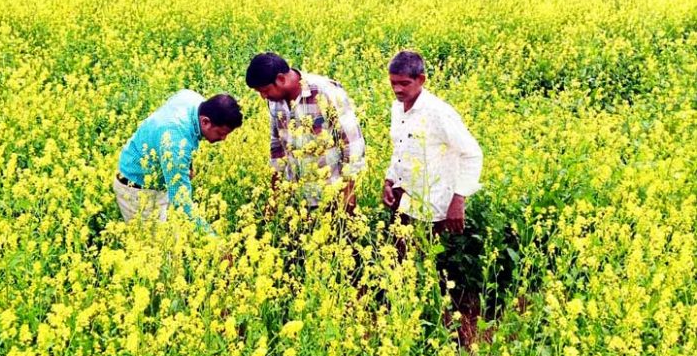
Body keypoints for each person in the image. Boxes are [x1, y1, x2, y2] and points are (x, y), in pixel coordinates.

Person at [382, 50, 483, 243]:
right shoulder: (397, 107)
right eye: (393, 83)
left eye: (404, 83)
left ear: (421, 79)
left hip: (430, 206)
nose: (397, 89)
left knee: (420, 262)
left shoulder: (438, 113)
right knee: (398, 261)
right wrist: (389, 181)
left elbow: (472, 154)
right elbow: (400, 148)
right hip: (402, 199)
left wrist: (458, 198)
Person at [246, 52, 365, 211]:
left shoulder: (325, 91)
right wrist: (274, 194)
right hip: (296, 197)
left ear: (281, 79)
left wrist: (348, 193)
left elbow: (352, 143)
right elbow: (277, 147)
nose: (263, 96)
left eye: (265, 90)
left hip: (331, 193)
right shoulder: (274, 102)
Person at [115, 90, 243, 227]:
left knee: (172, 238)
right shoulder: (175, 143)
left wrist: (188, 165)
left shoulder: (192, 99)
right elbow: (181, 202)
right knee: (153, 246)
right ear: (205, 122)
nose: (223, 139)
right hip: (136, 191)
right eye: (221, 133)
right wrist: (212, 240)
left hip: (158, 182)